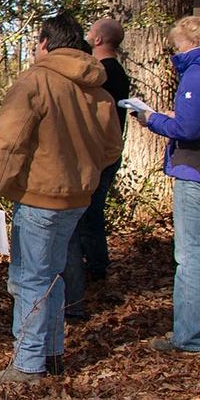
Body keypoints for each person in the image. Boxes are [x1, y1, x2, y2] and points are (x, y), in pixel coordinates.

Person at [0, 13, 122, 382]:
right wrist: (83, 175)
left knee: (30, 279)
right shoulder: (97, 89)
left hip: (41, 197)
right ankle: (52, 353)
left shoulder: (35, 81)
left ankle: (28, 363)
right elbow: (111, 148)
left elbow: (10, 144)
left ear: (45, 43)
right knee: (52, 276)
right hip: (77, 198)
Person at [134, 10, 200, 354]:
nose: (176, 56)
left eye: (177, 48)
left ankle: (189, 338)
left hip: (198, 171)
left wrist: (152, 119)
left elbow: (188, 130)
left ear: (191, 43)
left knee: (191, 256)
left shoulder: (199, 72)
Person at [63, 18, 131, 323]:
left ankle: (93, 271)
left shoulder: (105, 75)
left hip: (98, 155)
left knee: (85, 215)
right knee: (90, 213)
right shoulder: (111, 73)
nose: (89, 33)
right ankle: (95, 266)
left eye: (93, 30)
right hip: (102, 154)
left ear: (101, 38)